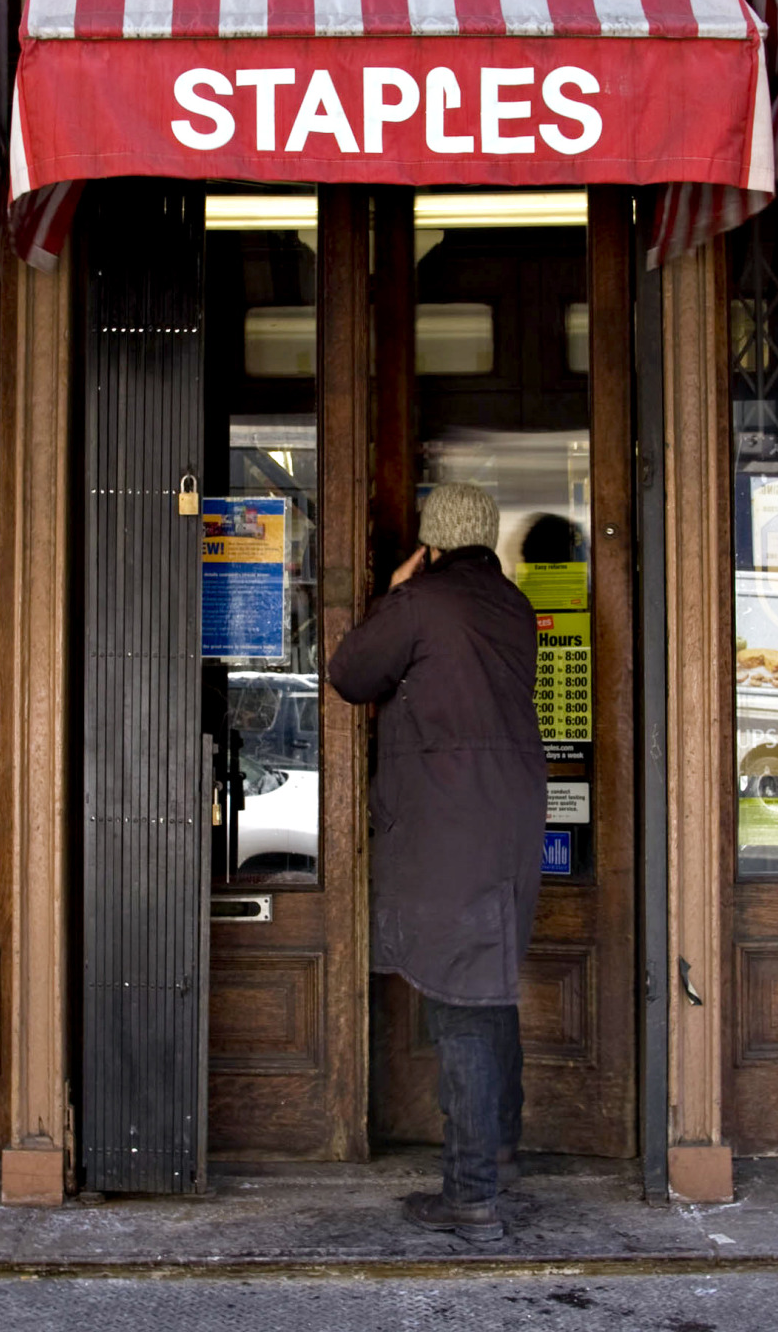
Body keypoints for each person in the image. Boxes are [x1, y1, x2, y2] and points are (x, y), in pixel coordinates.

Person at [328, 482, 546, 1243]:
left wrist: (392, 594)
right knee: (487, 987)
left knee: (461, 1003)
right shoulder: (511, 607)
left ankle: (472, 1196)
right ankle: (502, 1151)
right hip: (508, 816)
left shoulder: (422, 603)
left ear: (430, 544)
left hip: (453, 822)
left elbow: (351, 674)